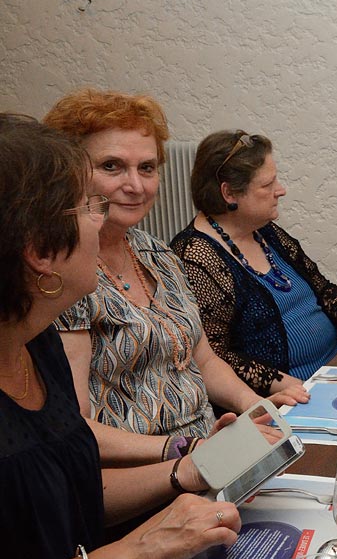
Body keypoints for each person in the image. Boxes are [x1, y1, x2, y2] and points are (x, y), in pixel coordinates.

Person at [0, 114, 242, 559]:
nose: (104, 214)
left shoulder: (33, 343)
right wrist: (135, 550)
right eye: (88, 205)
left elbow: (70, 494)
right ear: (40, 253)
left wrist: (190, 469)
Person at [43, 89, 306, 443]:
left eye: (147, 168)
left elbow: (205, 360)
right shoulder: (64, 274)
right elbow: (77, 429)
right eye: (112, 166)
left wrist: (257, 406)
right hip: (149, 474)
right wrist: (184, 452)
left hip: (211, 451)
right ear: (68, 172)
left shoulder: (156, 254)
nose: (135, 185)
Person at [171, 130, 337, 394]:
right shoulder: (196, 256)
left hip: (334, 369)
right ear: (229, 194)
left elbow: (319, 286)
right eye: (267, 185)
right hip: (289, 394)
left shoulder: (263, 230)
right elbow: (214, 355)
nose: (280, 190)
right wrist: (286, 385)